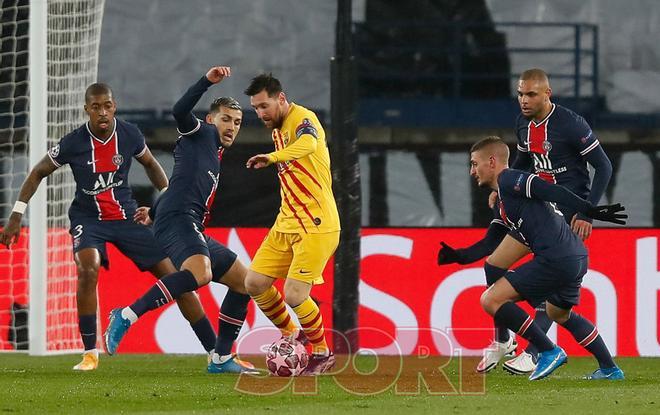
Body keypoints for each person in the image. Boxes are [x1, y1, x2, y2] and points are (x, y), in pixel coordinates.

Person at [0, 83, 216, 371]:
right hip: (88, 220)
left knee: (178, 279)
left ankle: (216, 352)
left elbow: (151, 164)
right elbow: (38, 171)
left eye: (108, 106)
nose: (103, 112)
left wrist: (166, 200)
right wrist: (17, 213)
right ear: (87, 110)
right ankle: (90, 353)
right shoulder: (73, 143)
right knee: (87, 267)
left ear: (114, 106)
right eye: (96, 107)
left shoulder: (129, 134)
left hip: (127, 217)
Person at [439, 68, 613, 374]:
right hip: (537, 205)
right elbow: (520, 162)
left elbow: (604, 166)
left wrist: (586, 213)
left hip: (568, 210)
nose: (524, 100)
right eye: (520, 93)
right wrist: (501, 188)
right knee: (493, 265)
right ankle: (504, 340)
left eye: (531, 94)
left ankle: (536, 352)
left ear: (547, 94)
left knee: (550, 279)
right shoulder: (523, 123)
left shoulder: (571, 124)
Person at [103, 66, 257, 374]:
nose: (231, 126)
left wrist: (155, 211)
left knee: (244, 282)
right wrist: (206, 82)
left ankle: (221, 357)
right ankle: (126, 315)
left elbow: (180, 183)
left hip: (182, 220)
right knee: (199, 273)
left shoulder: (213, 153)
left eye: (237, 122)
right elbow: (180, 110)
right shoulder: (200, 133)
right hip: (179, 220)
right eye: (226, 119)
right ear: (211, 119)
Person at [470, 136, 625, 380]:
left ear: (491, 162)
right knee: (558, 313)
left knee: (491, 300)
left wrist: (588, 209)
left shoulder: (510, 178)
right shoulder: (507, 193)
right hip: (575, 255)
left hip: (555, 259)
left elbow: (551, 189)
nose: (472, 171)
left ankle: (547, 351)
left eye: (474, 164)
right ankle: (610, 369)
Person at [243, 73, 341, 375]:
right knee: (255, 283)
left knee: (296, 294)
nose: (260, 114)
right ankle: (291, 334)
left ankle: (323, 353)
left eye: (264, 106)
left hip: (317, 223)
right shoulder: (277, 128)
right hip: (286, 221)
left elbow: (309, 145)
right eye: (256, 108)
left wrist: (273, 158)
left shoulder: (303, 119)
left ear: (281, 98)